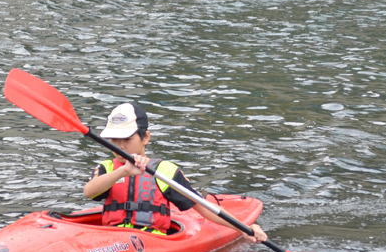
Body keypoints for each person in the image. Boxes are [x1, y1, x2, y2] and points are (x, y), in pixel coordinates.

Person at [83, 101, 268, 243]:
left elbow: (202, 206)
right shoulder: (107, 168)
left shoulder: (165, 171)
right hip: (110, 238)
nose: (119, 146)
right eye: (113, 140)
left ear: (145, 137)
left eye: (127, 139)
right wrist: (123, 171)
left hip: (151, 241)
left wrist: (243, 228)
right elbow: (89, 192)